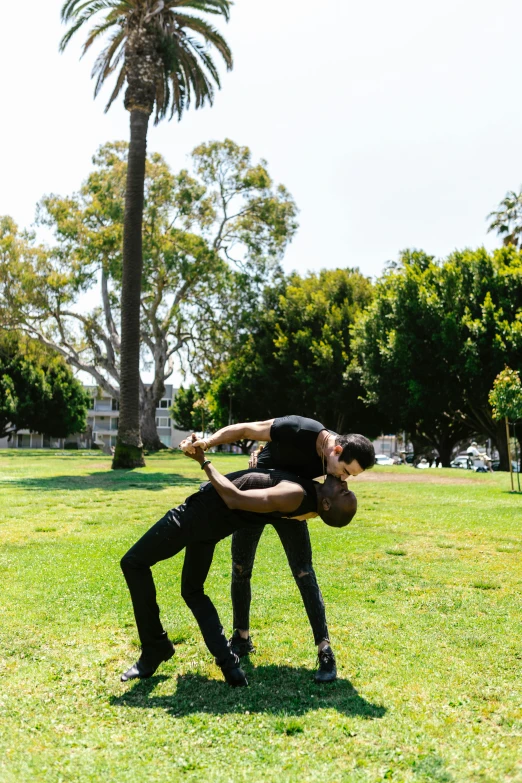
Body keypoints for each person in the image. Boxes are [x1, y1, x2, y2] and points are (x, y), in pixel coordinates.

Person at [120, 442, 357, 688]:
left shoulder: (296, 494)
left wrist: (203, 461)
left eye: (344, 492)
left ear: (327, 505)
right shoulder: (308, 490)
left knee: (133, 563)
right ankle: (229, 664)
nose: (345, 483)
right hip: (209, 526)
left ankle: (155, 648)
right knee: (192, 590)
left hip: (195, 516)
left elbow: (234, 498)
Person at [180, 415, 375, 683]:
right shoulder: (300, 429)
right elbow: (246, 429)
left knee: (304, 572)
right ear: (337, 450)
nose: (343, 479)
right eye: (345, 471)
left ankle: (325, 651)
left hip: (290, 503)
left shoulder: (331, 463)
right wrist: (208, 441)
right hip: (257, 498)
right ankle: (241, 637)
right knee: (240, 567)